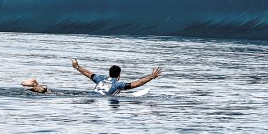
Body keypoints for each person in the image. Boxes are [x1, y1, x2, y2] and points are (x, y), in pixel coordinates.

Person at [20, 59, 162, 96]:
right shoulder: (118, 84)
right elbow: (136, 84)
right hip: (98, 98)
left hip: (91, 94)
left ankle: (37, 86)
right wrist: (151, 76)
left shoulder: (100, 78)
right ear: (118, 75)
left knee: (55, 94)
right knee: (55, 95)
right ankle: (39, 87)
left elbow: (88, 73)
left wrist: (77, 66)